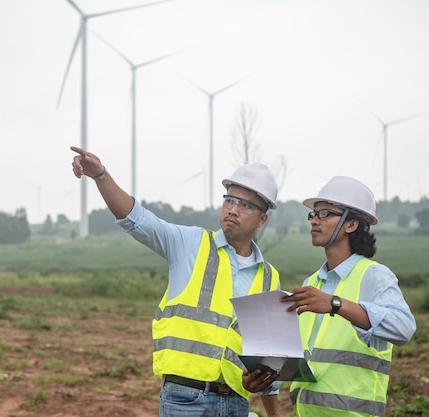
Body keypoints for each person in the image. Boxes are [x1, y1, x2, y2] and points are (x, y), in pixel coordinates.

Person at [70, 146, 282, 417]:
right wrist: (101, 175)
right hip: (185, 399)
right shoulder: (189, 244)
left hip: (236, 401)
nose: (233, 209)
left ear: (262, 218)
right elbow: (137, 219)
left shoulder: (269, 278)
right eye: (229, 200)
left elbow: (268, 354)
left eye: (245, 205)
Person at [277, 176, 416, 416]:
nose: (314, 221)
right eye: (314, 214)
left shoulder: (374, 276)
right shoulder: (310, 284)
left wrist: (335, 304)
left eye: (325, 214)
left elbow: (404, 328)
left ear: (351, 225)